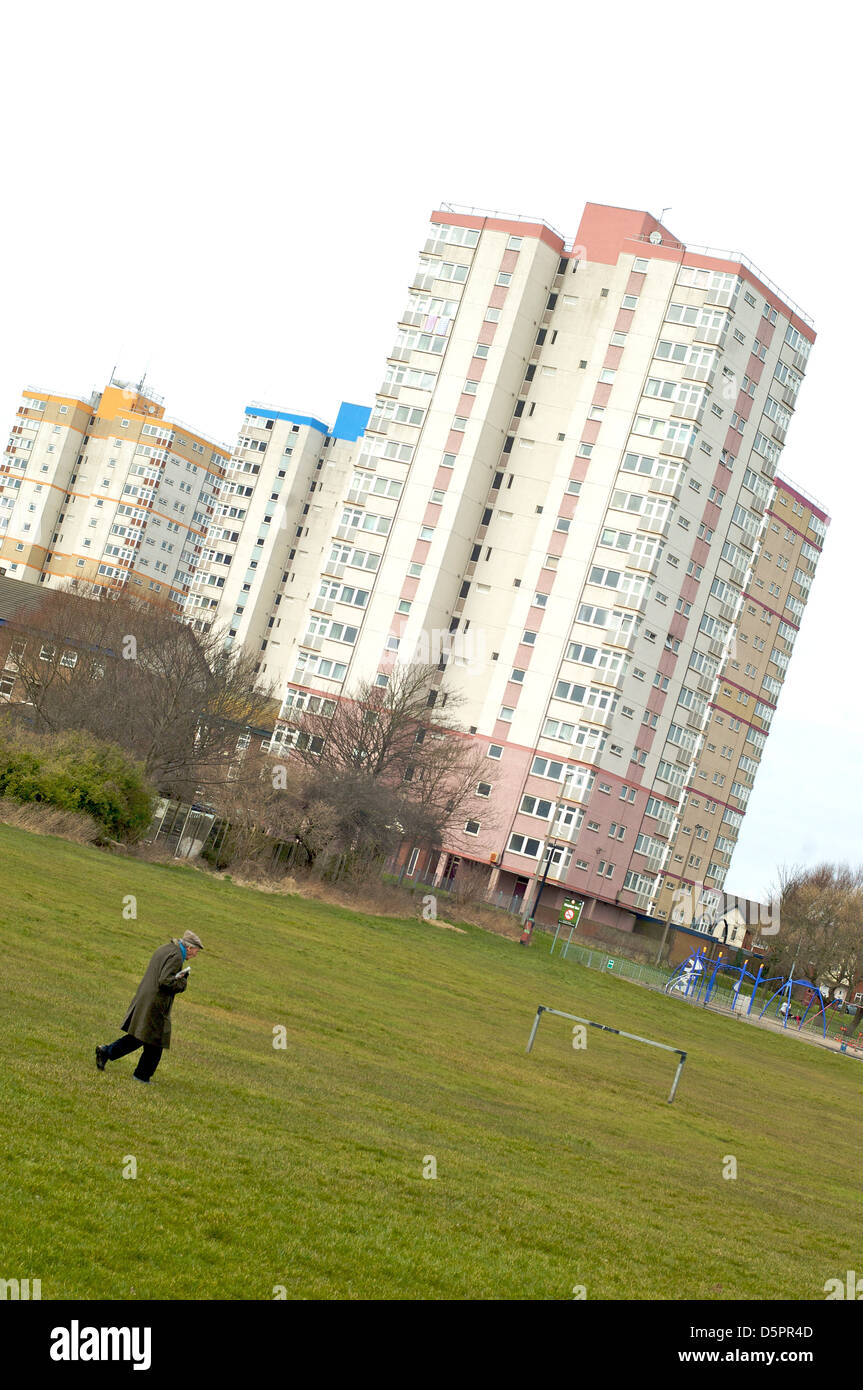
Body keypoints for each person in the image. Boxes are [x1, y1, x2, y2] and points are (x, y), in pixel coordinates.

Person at [95, 930, 204, 1084]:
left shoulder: (166, 948)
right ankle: (141, 1076)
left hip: (146, 997)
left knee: (140, 1037)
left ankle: (107, 1052)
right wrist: (182, 982)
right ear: (189, 947)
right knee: (155, 1041)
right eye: (196, 951)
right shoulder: (177, 957)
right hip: (155, 1004)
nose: (195, 955)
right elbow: (165, 981)